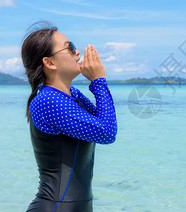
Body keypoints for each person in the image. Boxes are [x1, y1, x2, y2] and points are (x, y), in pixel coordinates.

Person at [21, 22, 117, 212]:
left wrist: (98, 81)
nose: (77, 52)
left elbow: (103, 122)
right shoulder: (48, 101)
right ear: (49, 62)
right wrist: (98, 81)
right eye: (70, 47)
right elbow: (107, 133)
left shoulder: (71, 94)